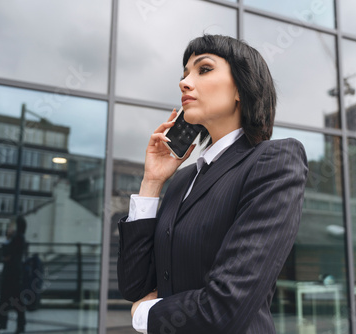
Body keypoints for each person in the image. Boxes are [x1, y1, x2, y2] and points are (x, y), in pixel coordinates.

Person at [117, 34, 308, 334]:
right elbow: (135, 285)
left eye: (203, 69)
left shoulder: (274, 161)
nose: (184, 83)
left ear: (241, 89)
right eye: (184, 75)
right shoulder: (182, 180)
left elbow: (226, 305)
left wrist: (143, 316)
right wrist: (152, 182)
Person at [0, 216, 27, 334]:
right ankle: (19, 325)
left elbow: (6, 253)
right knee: (17, 301)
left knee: (6, 300)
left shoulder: (17, 238)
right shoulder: (18, 238)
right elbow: (6, 255)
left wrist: (7, 239)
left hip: (11, 274)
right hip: (14, 274)